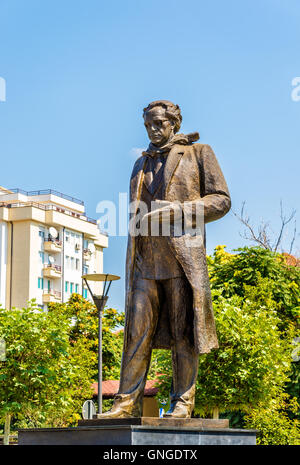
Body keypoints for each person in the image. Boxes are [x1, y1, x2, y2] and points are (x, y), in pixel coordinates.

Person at [99, 100, 231, 418]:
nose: (153, 129)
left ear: (174, 123)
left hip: (181, 259)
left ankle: (182, 401)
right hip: (145, 261)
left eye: (159, 123)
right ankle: (125, 402)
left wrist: (181, 211)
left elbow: (222, 200)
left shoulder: (200, 153)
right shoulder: (140, 164)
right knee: (135, 333)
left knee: (183, 332)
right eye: (148, 125)